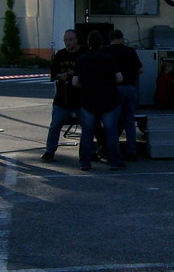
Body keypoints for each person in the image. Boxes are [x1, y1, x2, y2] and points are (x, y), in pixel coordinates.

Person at [73, 30, 124, 171]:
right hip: (108, 99)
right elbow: (119, 78)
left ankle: (85, 162)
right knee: (111, 131)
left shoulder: (81, 59)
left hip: (88, 99)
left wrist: (85, 86)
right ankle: (114, 161)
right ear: (101, 43)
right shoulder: (109, 58)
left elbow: (75, 82)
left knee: (87, 132)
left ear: (88, 43)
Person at [41, 29, 82, 162]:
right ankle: (49, 151)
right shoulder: (60, 55)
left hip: (80, 98)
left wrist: (72, 73)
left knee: (88, 126)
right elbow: (53, 73)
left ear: (76, 40)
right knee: (55, 125)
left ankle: (88, 152)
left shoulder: (83, 54)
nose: (68, 43)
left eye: (70, 40)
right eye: (65, 40)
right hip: (62, 98)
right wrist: (60, 75)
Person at [105, 30, 143, 161]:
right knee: (129, 122)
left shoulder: (107, 52)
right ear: (122, 38)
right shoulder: (130, 51)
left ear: (110, 39)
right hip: (129, 88)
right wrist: (130, 74)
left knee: (113, 122)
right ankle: (131, 151)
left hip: (114, 89)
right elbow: (140, 69)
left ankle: (112, 151)